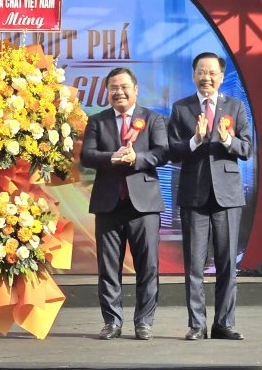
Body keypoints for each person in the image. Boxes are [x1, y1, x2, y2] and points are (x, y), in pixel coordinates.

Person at [167, 52, 252, 341]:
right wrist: (196, 140)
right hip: (194, 194)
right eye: (201, 72)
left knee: (227, 264)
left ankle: (223, 324)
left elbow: (246, 149)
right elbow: (172, 151)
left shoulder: (236, 107)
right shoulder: (181, 109)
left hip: (227, 196)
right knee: (194, 264)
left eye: (212, 72)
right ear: (193, 76)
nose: (207, 77)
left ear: (220, 75)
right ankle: (197, 325)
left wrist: (226, 139)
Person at [81, 67, 168, 341]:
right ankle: (112, 322)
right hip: (109, 203)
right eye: (113, 88)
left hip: (144, 204)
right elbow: (87, 155)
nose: (119, 92)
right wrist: (112, 157)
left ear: (135, 89)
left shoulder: (153, 119)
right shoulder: (97, 121)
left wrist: (136, 159)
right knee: (108, 268)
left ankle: (144, 323)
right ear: (107, 92)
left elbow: (162, 152)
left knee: (148, 266)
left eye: (124, 87)